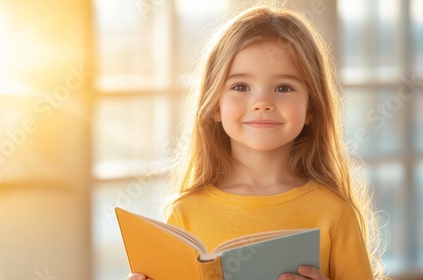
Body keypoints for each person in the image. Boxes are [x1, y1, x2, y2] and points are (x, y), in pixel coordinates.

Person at [126, 4, 386, 280]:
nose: (262, 103)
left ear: (311, 108)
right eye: (241, 87)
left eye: (283, 88)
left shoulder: (334, 212)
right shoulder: (185, 213)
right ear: (215, 105)